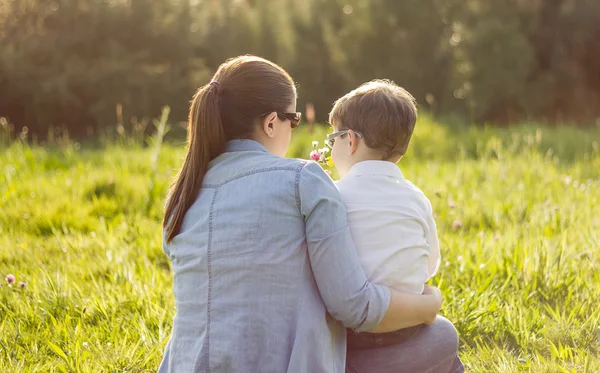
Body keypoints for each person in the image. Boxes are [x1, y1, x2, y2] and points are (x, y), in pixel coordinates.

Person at [158, 55, 445, 373]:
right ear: (270, 123)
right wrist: (428, 305)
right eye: (292, 121)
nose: (294, 130)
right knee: (443, 335)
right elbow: (355, 307)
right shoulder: (302, 180)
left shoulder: (181, 197)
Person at [327, 80, 464, 372]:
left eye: (332, 140)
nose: (330, 150)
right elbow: (429, 267)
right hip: (408, 331)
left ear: (350, 140)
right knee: (446, 342)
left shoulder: (332, 195)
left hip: (350, 340)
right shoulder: (416, 198)